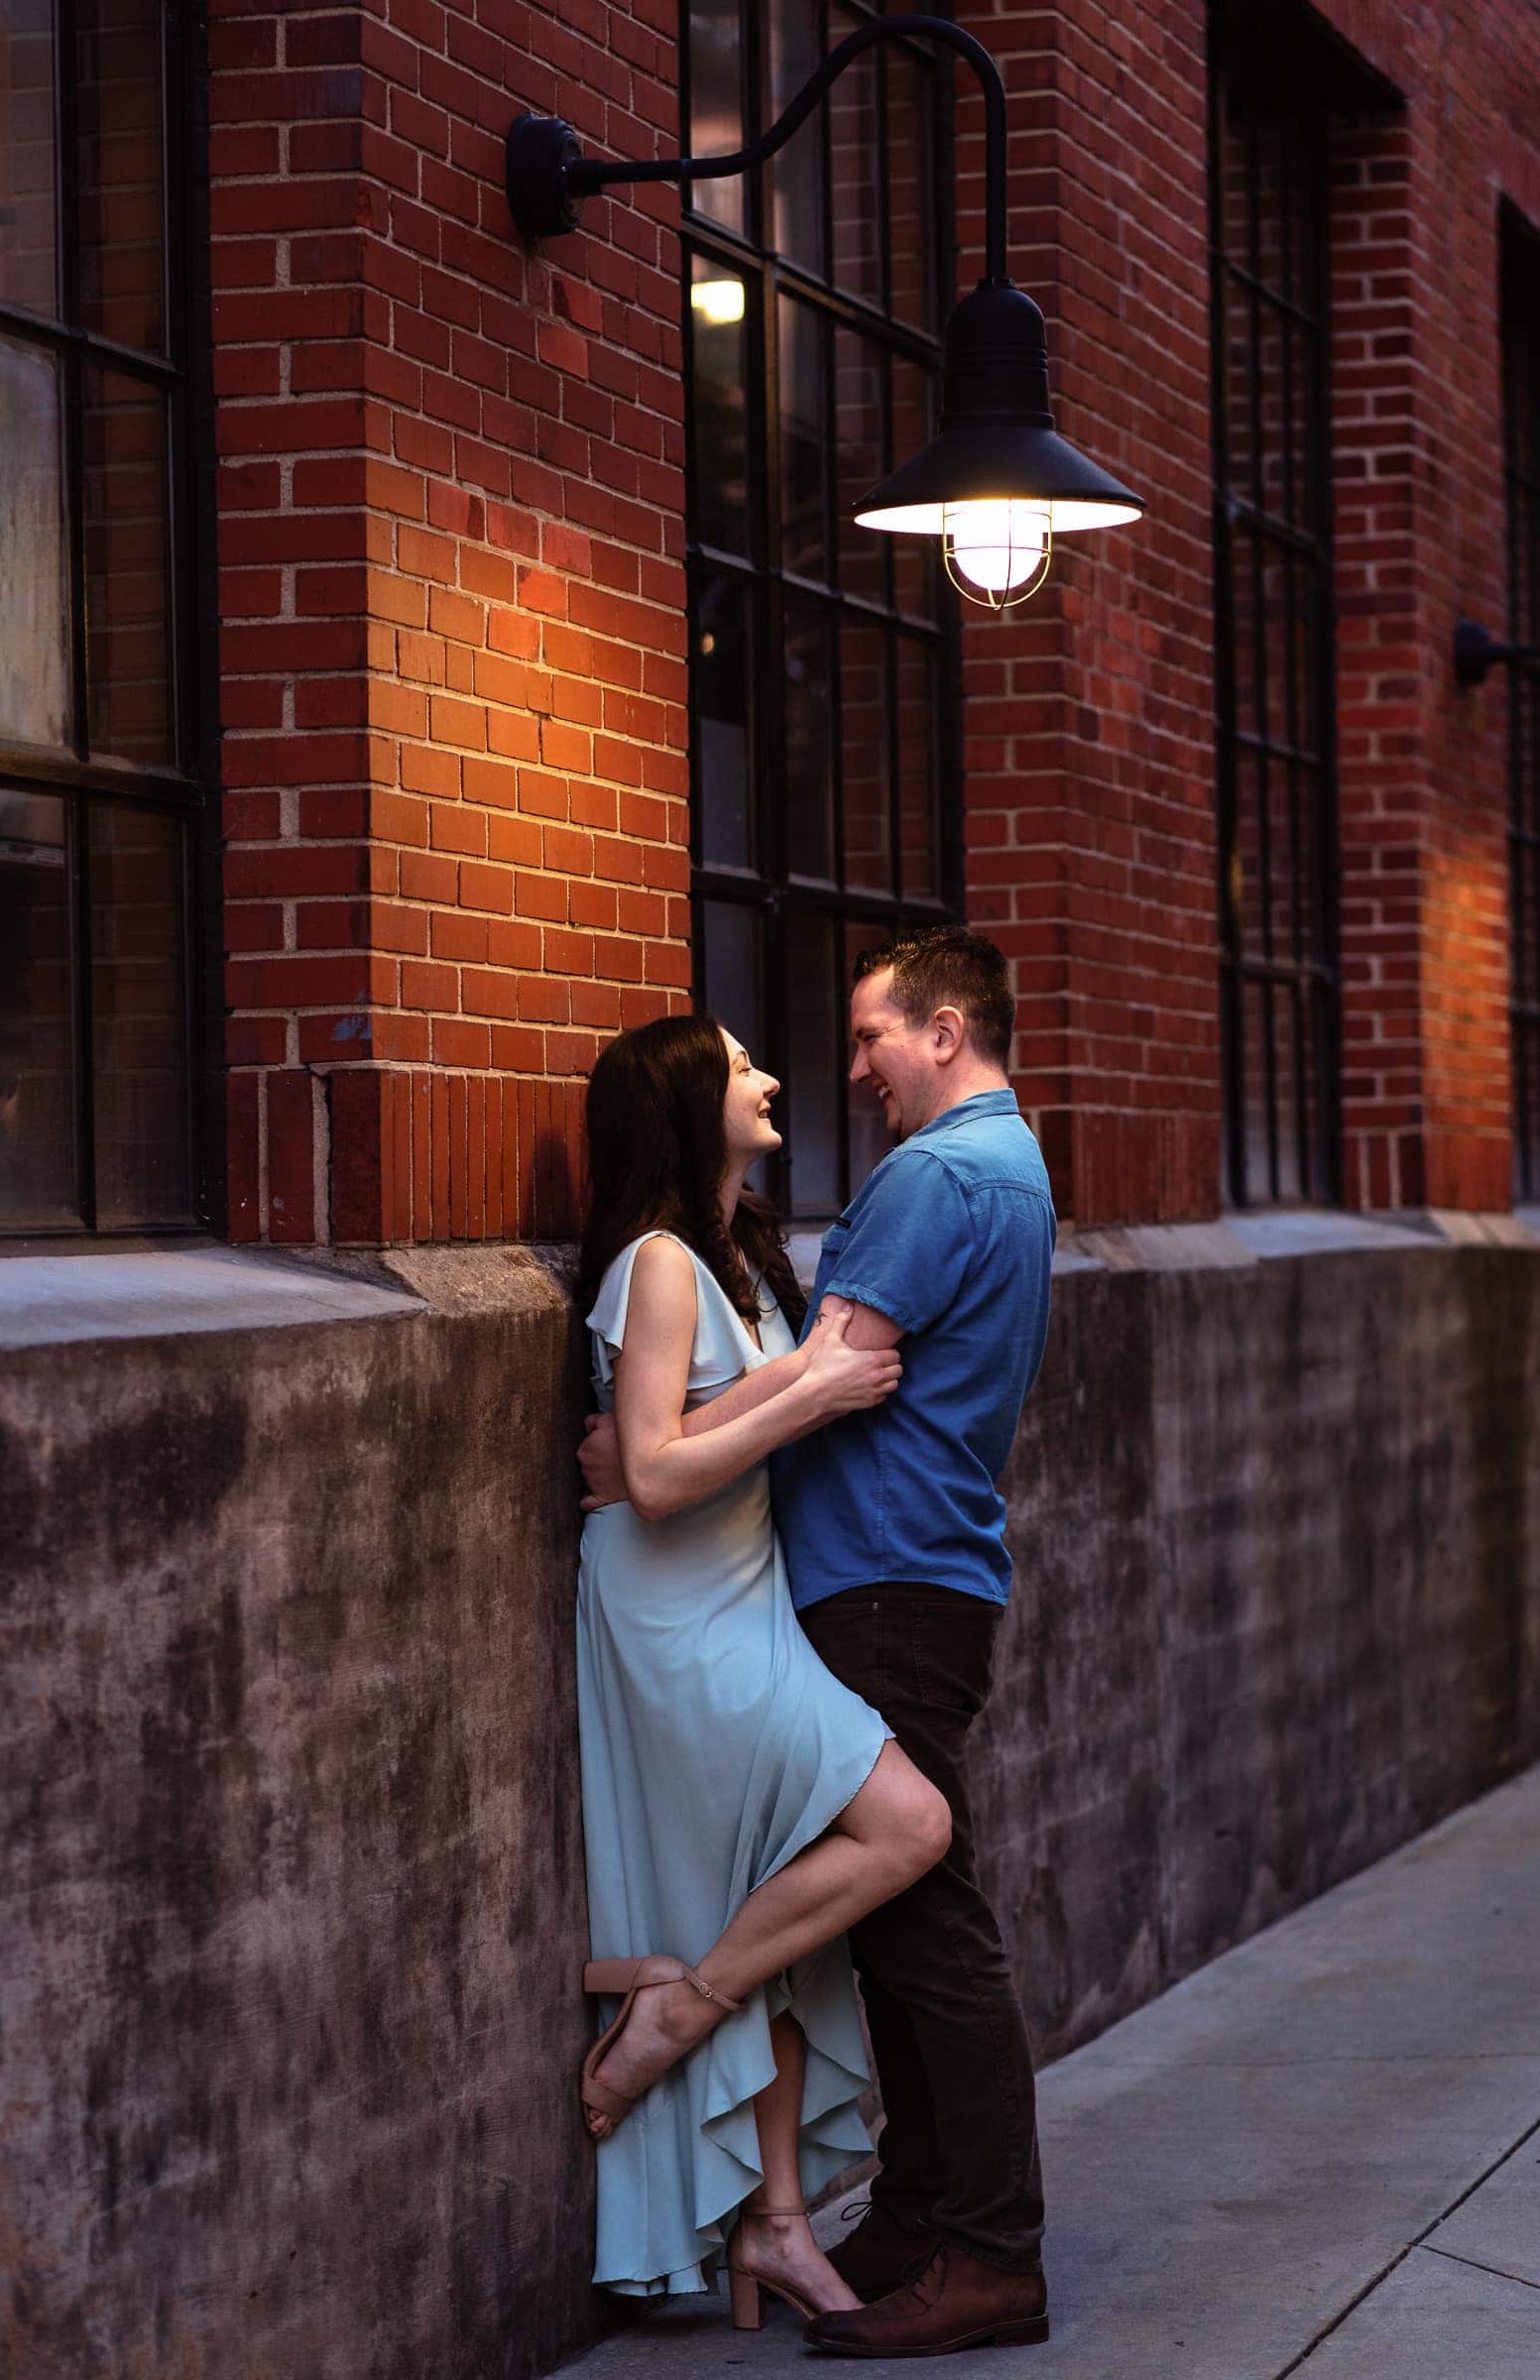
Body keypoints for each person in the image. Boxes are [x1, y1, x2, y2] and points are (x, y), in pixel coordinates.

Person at [580, 926, 1057, 2358]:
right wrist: (652, 1454)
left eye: (871, 1039)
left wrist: (649, 1456)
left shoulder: (932, 1177)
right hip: (860, 1577)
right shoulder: (1006, 1167)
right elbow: (806, 1380)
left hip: (882, 1577)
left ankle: (987, 2249)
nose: (846, 1070)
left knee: (928, 1912)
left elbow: (841, 1371)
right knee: (899, 1934)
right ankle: (918, 2212)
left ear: (948, 1032)